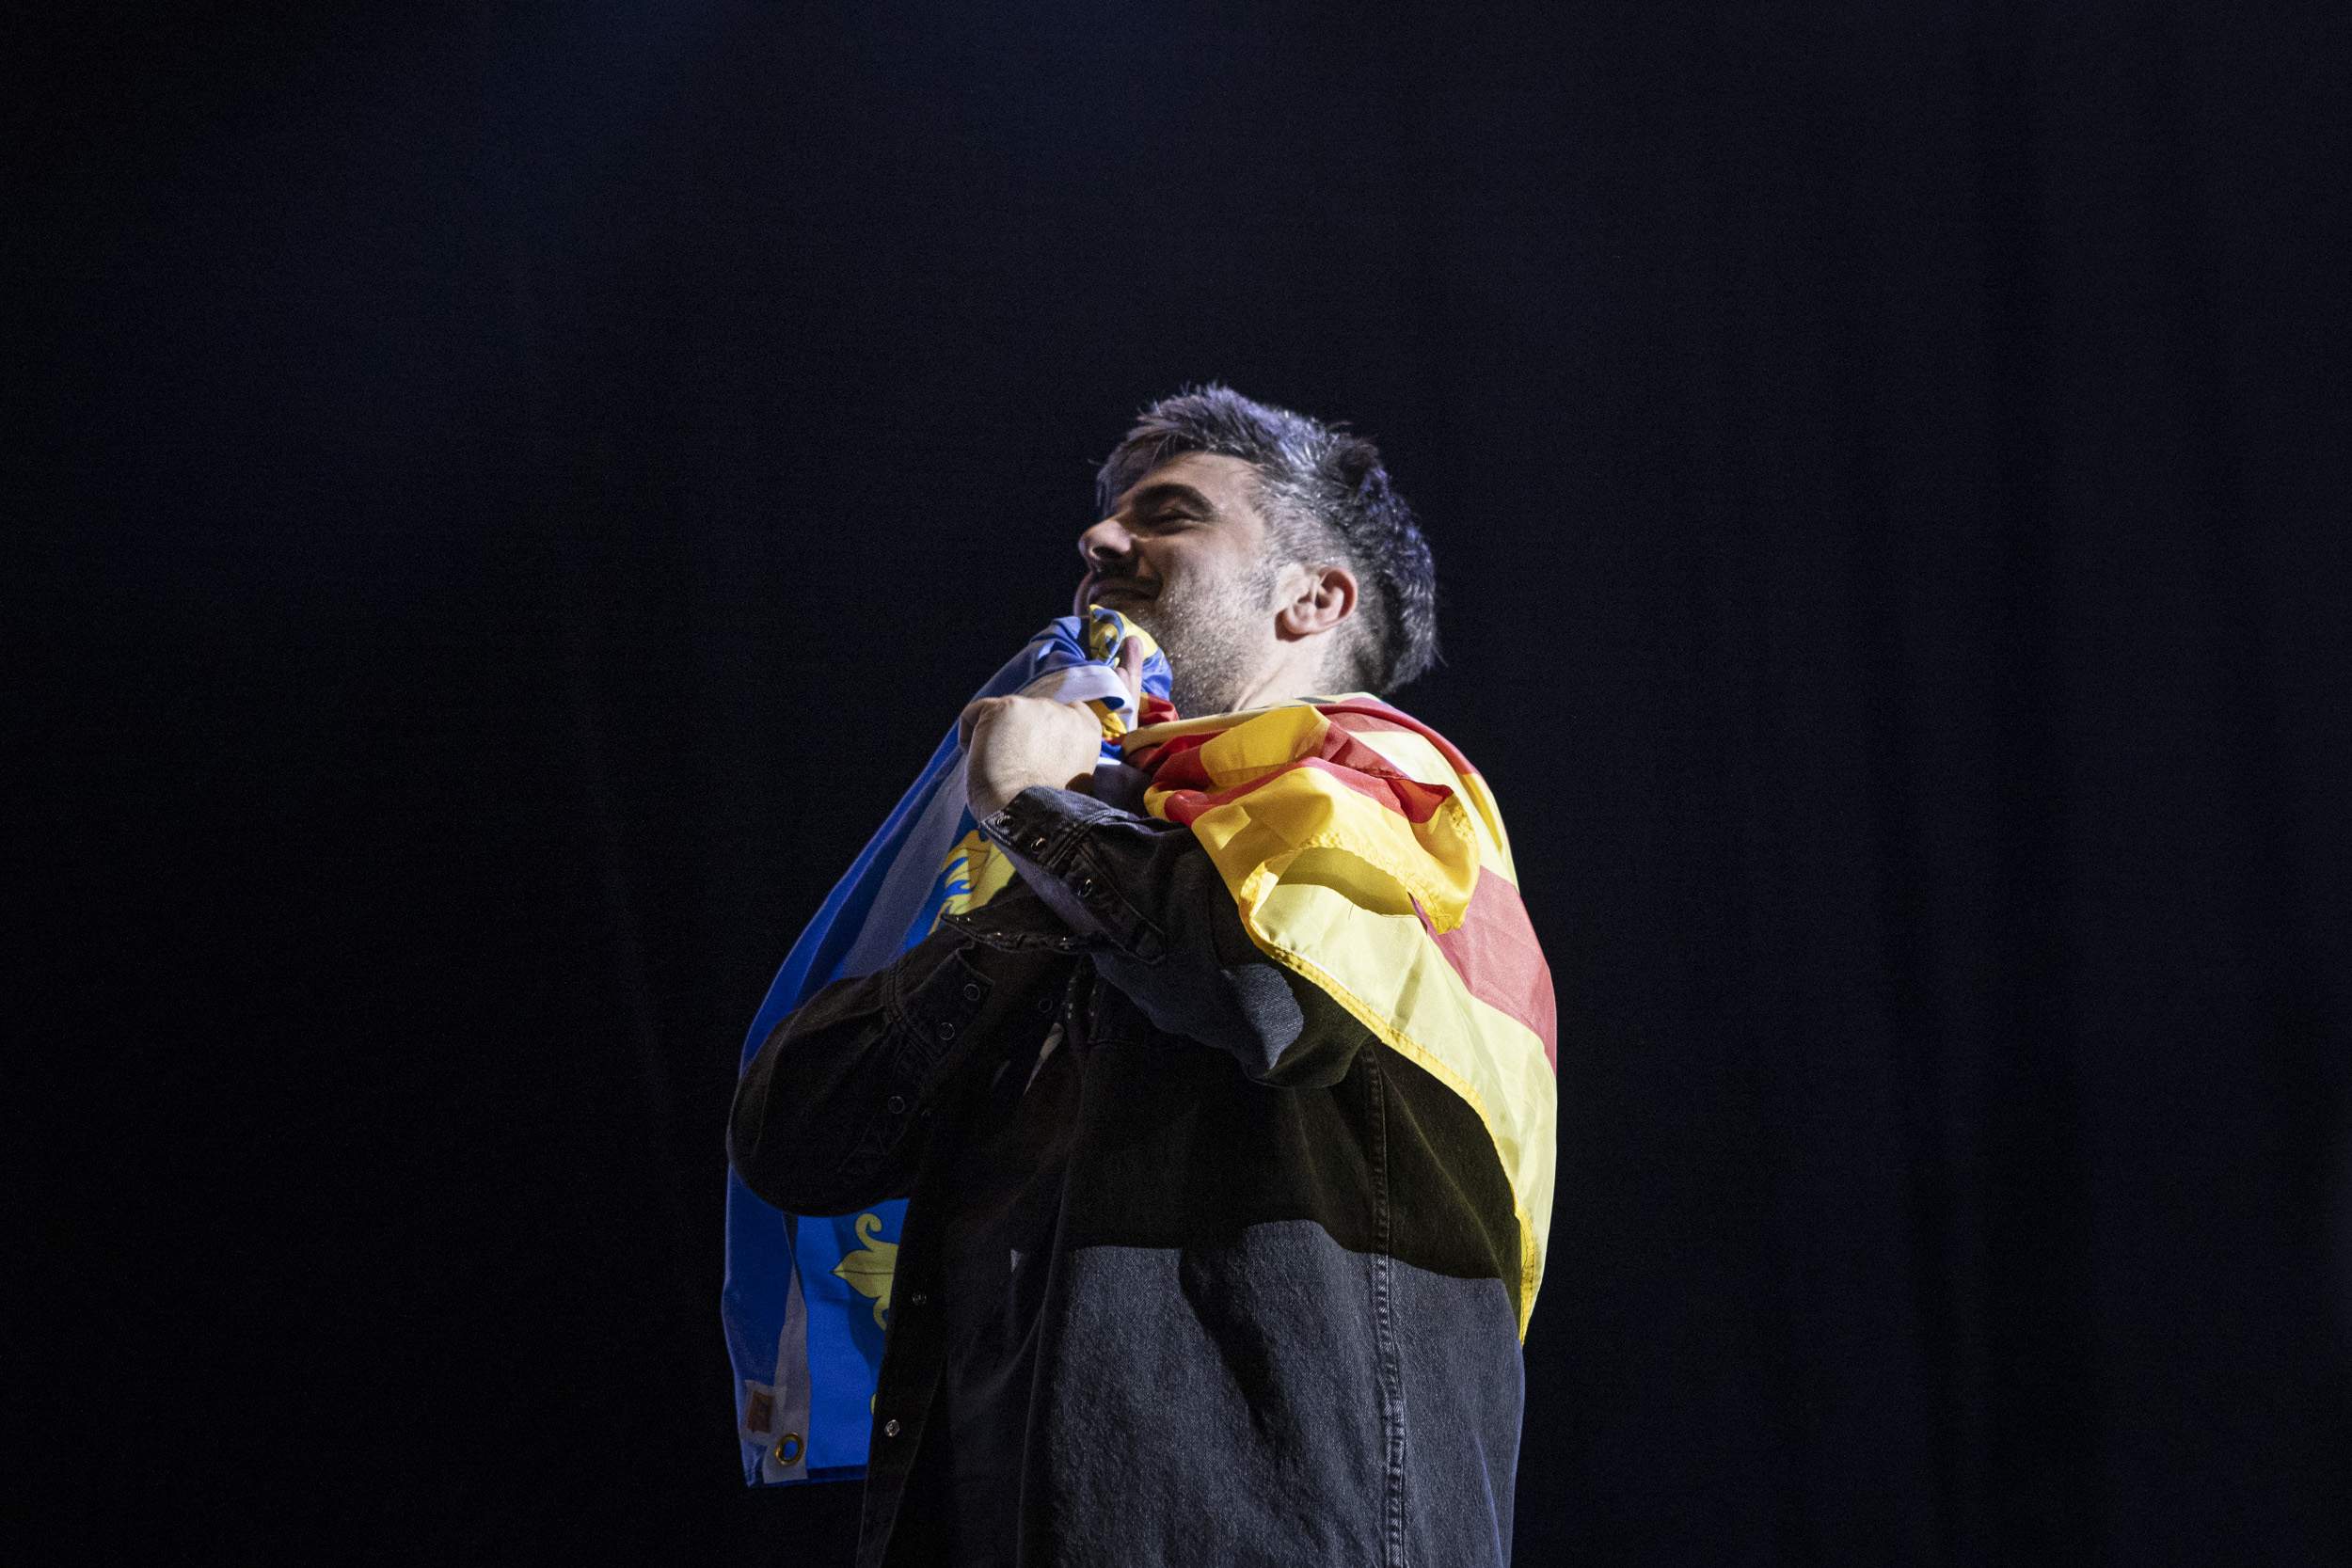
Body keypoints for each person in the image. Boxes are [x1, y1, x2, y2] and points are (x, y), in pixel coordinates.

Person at [729, 385, 1557, 1567]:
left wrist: (1035, 805)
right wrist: (1042, 840)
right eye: (1108, 522)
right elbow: (796, 1136)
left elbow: (1268, 997)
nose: (1101, 542)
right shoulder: (1101, 847)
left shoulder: (1387, 789)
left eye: (1169, 514)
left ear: (1312, 598)